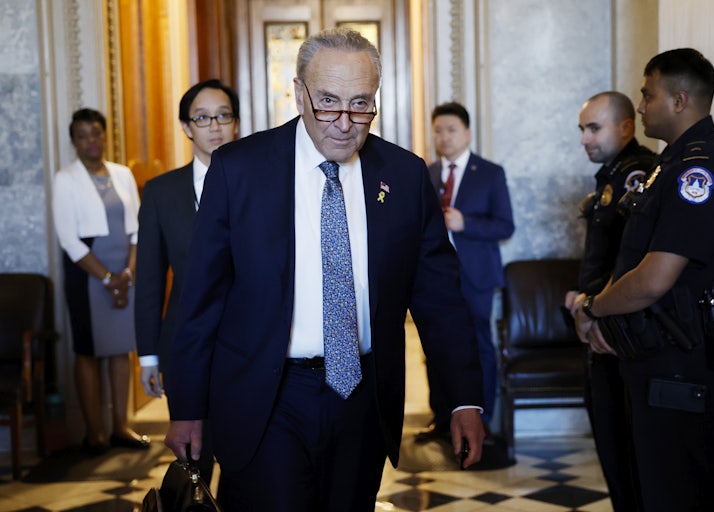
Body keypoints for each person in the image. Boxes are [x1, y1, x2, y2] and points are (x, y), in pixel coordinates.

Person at [163, 28, 485, 512]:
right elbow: (201, 298)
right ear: (298, 92)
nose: (344, 122)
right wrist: (186, 407)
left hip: (363, 397)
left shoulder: (404, 175)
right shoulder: (238, 170)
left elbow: (440, 297)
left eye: (360, 104)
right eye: (328, 102)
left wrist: (463, 399)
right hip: (266, 396)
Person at [572, 48, 714, 511]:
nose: (642, 105)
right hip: (655, 356)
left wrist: (594, 310)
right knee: (652, 487)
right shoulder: (670, 164)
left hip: (681, 358)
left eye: (648, 96)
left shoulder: (702, 167)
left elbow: (653, 279)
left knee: (680, 492)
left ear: (679, 100)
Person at [134, 79, 239, 482]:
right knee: (194, 461)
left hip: (246, 345)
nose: (214, 126)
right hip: (183, 346)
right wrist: (148, 355)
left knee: (246, 462)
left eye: (223, 116)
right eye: (202, 117)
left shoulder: (259, 185)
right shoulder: (162, 193)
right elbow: (149, 279)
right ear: (186, 127)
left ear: (235, 123)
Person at [565, 91, 656, 511]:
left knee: (629, 459)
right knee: (614, 455)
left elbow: (633, 263)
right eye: (582, 129)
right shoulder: (613, 173)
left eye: (593, 128)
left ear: (625, 127)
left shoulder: (636, 174)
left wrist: (593, 309)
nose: (584, 138)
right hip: (600, 326)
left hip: (616, 335)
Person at [52, 108, 149, 455]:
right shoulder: (66, 179)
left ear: (105, 136)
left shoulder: (122, 175)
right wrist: (107, 278)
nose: (91, 140)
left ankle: (120, 427)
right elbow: (69, 239)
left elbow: (138, 228)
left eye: (96, 133)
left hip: (125, 270)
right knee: (89, 351)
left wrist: (128, 272)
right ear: (73, 142)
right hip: (87, 274)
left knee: (121, 348)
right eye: (82, 135)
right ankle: (94, 432)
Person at [418, 102, 514, 440]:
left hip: (476, 276)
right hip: (435, 278)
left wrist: (465, 223)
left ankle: (481, 418)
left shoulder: (490, 173)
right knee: (435, 345)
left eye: (451, 129)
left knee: (479, 346)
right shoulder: (424, 174)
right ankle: (442, 417)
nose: (443, 137)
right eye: (438, 130)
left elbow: (505, 226)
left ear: (467, 133)